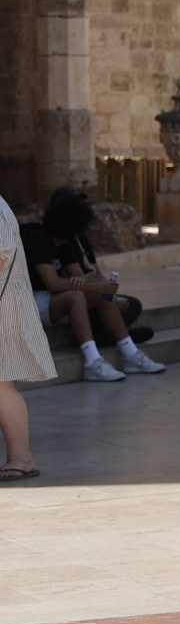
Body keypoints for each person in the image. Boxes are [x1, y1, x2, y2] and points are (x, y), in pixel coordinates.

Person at [22, 191, 165, 381]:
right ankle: (92, 361)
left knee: (100, 296)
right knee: (76, 296)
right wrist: (92, 287)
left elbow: (81, 279)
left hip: (51, 299)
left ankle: (130, 353)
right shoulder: (38, 239)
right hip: (27, 299)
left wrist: (104, 291)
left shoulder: (65, 243)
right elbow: (53, 283)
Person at [1, 194, 55, 481]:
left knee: (0, 383)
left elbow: (1, 254)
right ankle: (20, 456)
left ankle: (21, 457)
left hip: (3, 305)